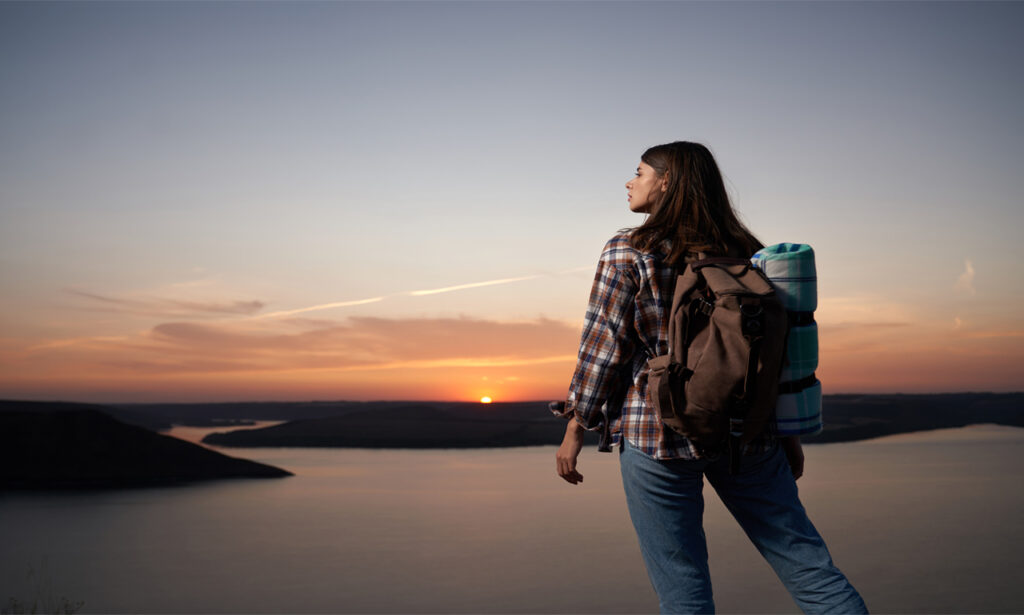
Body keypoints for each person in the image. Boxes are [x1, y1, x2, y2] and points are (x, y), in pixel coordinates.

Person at [553, 141, 867, 614]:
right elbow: (779, 355)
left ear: (666, 181)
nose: (629, 182)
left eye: (639, 172)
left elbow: (604, 346)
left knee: (683, 590)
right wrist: (786, 432)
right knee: (810, 570)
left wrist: (577, 425)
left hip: (656, 432)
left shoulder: (630, 249)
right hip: (748, 432)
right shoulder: (749, 252)